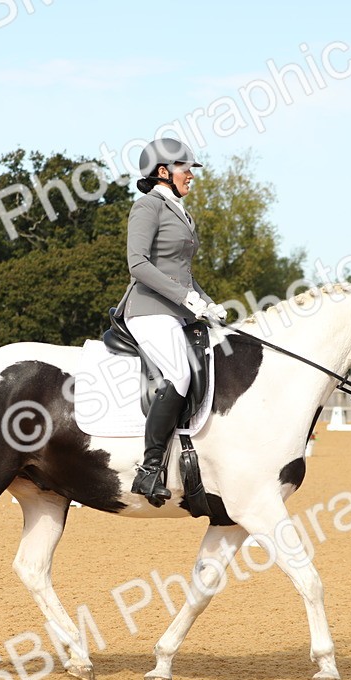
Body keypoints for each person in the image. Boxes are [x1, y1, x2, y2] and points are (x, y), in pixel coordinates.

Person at [117, 138, 227, 505]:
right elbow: (138, 264)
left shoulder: (180, 211)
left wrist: (207, 303)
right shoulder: (147, 206)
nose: (191, 177)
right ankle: (149, 470)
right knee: (178, 373)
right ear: (163, 172)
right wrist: (185, 297)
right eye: (186, 170)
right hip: (148, 309)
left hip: (178, 311)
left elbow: (181, 272)